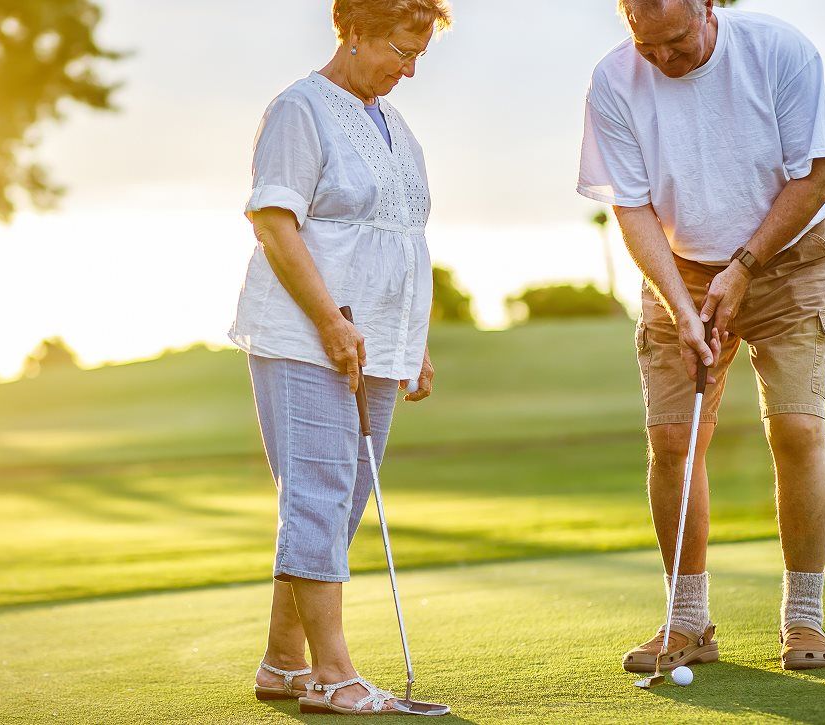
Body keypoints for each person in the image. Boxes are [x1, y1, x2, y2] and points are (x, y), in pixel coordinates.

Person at [578, 0, 825, 672]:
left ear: (706, 6)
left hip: (788, 260)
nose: (663, 59)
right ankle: (687, 621)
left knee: (796, 426)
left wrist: (744, 267)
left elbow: (818, 176)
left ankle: (803, 617)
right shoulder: (612, 80)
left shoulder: (778, 51)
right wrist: (679, 302)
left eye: (676, 40)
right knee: (673, 439)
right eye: (647, 45)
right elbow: (632, 206)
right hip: (680, 269)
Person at [230, 0, 450, 714]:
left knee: (339, 502)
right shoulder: (300, 109)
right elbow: (274, 221)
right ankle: (332, 674)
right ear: (352, 32)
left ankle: (282, 662)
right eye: (400, 51)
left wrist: (411, 341)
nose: (408, 70)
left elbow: (399, 238)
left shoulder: (396, 127)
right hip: (306, 336)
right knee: (318, 496)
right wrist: (328, 320)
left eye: (419, 56)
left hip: (374, 343)